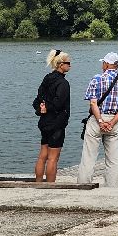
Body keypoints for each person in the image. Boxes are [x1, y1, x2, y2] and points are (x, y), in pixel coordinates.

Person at [77, 52, 118, 186]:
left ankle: (84, 184)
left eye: (103, 62)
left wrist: (100, 121)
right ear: (117, 65)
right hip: (114, 121)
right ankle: (112, 187)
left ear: (106, 64)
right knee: (113, 159)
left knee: (89, 156)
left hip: (96, 120)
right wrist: (112, 122)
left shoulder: (97, 78)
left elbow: (93, 103)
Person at [34, 49, 73, 182]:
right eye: (68, 63)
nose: (70, 65)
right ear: (61, 65)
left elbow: (37, 99)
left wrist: (41, 109)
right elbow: (58, 103)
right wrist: (48, 108)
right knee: (53, 157)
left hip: (44, 122)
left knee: (42, 155)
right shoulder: (63, 83)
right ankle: (51, 185)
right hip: (57, 123)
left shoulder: (47, 79)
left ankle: (38, 182)